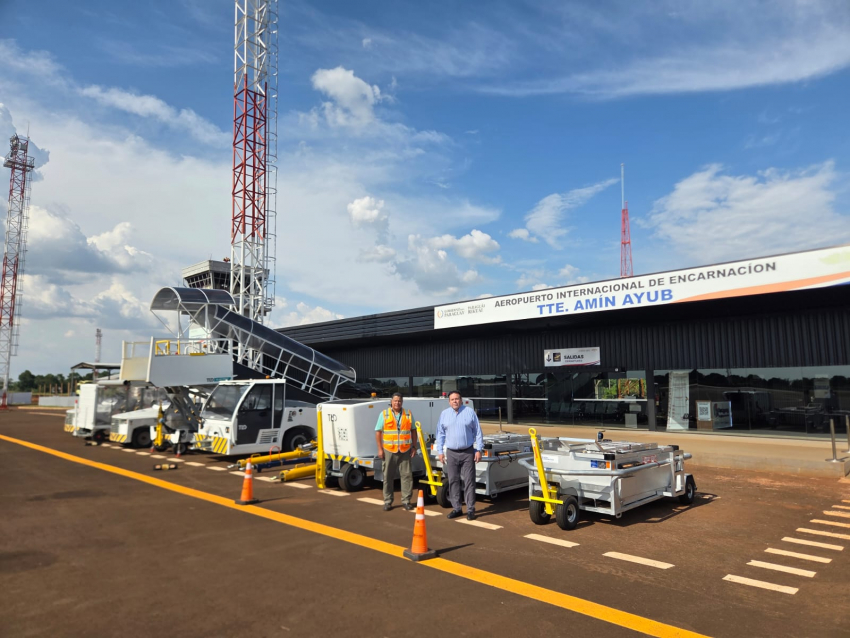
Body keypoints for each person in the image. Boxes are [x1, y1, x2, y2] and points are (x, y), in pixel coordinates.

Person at [435, 390, 483, 520]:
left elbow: (478, 432)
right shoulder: (444, 414)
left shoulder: (469, 413)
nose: (455, 401)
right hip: (451, 453)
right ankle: (457, 508)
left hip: (467, 452)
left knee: (469, 481)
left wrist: (478, 449)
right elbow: (440, 434)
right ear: (449, 401)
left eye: (457, 399)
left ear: (461, 400)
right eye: (452, 399)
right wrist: (440, 451)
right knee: (453, 481)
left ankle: (470, 509)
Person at [374, 393, 418, 511]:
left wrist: (414, 446)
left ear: (402, 402)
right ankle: (388, 501)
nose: (397, 403)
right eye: (395, 401)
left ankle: (406, 501)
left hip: (405, 450)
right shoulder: (384, 414)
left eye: (399, 401)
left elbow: (414, 431)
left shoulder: (408, 414)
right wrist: (380, 449)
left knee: (407, 476)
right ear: (391, 402)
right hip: (389, 450)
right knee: (388, 476)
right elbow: (378, 432)